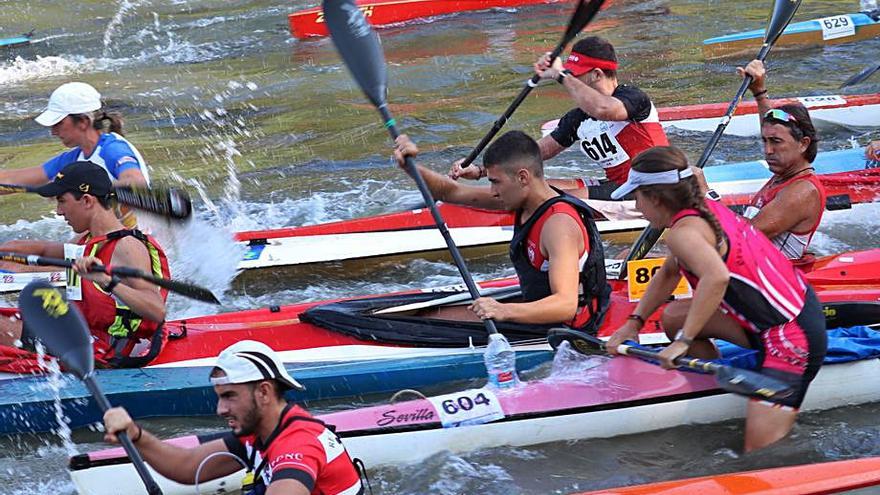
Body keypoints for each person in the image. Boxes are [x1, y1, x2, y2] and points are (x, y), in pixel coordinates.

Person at [604, 146, 827, 452]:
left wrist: (684, 341)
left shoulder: (685, 232)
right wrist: (634, 323)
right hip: (783, 314)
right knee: (673, 316)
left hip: (792, 338)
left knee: (761, 458)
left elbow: (716, 278)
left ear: (655, 198)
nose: (637, 207)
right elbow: (670, 272)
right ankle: (714, 391)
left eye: (637, 198)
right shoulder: (699, 209)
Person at [394, 130, 611, 332]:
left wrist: (502, 310)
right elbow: (452, 192)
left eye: (496, 182)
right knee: (427, 316)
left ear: (523, 177)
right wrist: (411, 166)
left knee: (430, 326)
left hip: (570, 326)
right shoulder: (524, 198)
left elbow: (565, 305)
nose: (493, 192)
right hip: (537, 308)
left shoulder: (558, 226)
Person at [103, 340, 365, 495]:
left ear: (263, 391)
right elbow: (186, 466)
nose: (220, 409)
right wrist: (136, 435)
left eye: (229, 396)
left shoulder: (298, 444)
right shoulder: (260, 433)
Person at [450, 36, 668, 200]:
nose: (569, 82)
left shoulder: (633, 98)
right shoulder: (578, 118)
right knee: (528, 185)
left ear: (597, 74)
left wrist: (560, 75)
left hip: (652, 187)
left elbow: (605, 109)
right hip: (616, 185)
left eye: (575, 75)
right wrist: (481, 171)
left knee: (544, 198)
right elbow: (537, 153)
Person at [0, 162, 169, 369]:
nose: (59, 211)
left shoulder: (127, 246)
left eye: (62, 201)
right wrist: (7, 249)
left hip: (101, 350)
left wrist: (107, 281)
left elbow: (156, 310)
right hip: (81, 333)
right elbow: (41, 250)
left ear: (87, 200)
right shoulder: (86, 238)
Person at [0, 82, 151, 228]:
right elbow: (12, 179)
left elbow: (136, 182)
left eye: (58, 123)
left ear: (83, 122)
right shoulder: (73, 159)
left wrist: (87, 190)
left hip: (138, 243)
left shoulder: (113, 148)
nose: (53, 132)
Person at [736, 60, 826, 261]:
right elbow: (772, 128)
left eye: (775, 142)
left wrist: (707, 196)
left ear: (803, 144)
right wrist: (759, 92)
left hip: (772, 283)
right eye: (764, 141)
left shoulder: (802, 191)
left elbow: (739, 237)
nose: (768, 150)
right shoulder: (786, 172)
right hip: (753, 268)